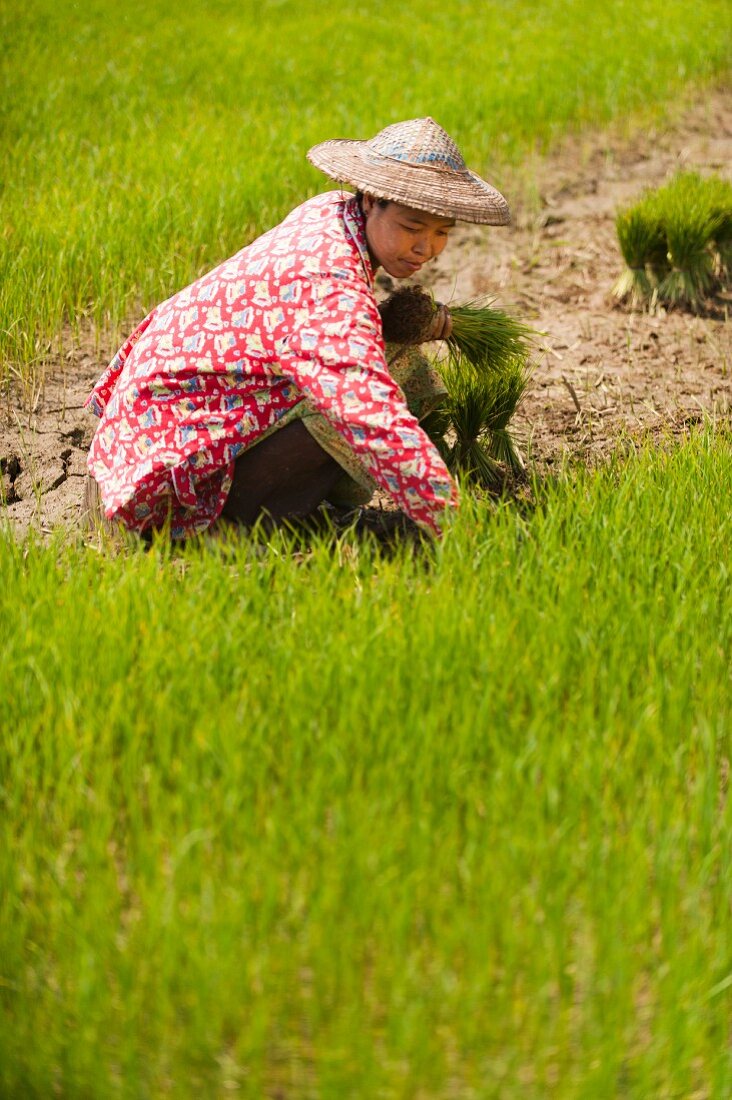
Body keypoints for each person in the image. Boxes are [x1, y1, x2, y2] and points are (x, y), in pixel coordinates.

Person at [84, 117, 510, 539]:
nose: (426, 247)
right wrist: (454, 523)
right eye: (412, 227)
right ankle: (235, 529)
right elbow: (369, 412)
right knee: (373, 391)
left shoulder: (327, 213)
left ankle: (301, 506)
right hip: (158, 486)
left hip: (136, 439)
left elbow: (325, 334)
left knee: (388, 360)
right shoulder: (331, 283)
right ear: (368, 200)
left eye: (441, 232)